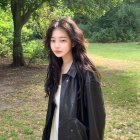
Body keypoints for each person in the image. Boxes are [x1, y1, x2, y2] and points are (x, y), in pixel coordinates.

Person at [42, 17, 106, 140]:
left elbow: (96, 119)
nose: (57, 45)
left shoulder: (86, 74)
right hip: (55, 132)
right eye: (53, 40)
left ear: (73, 42)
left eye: (62, 40)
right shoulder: (56, 69)